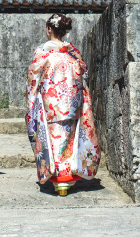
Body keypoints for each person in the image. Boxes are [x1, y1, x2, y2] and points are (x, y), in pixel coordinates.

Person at [26, 13, 101, 196]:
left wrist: (31, 101)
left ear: (49, 29)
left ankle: (60, 181)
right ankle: (69, 177)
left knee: (54, 142)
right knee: (70, 140)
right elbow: (83, 76)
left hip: (51, 104)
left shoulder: (43, 51)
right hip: (73, 103)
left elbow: (33, 77)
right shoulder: (73, 52)